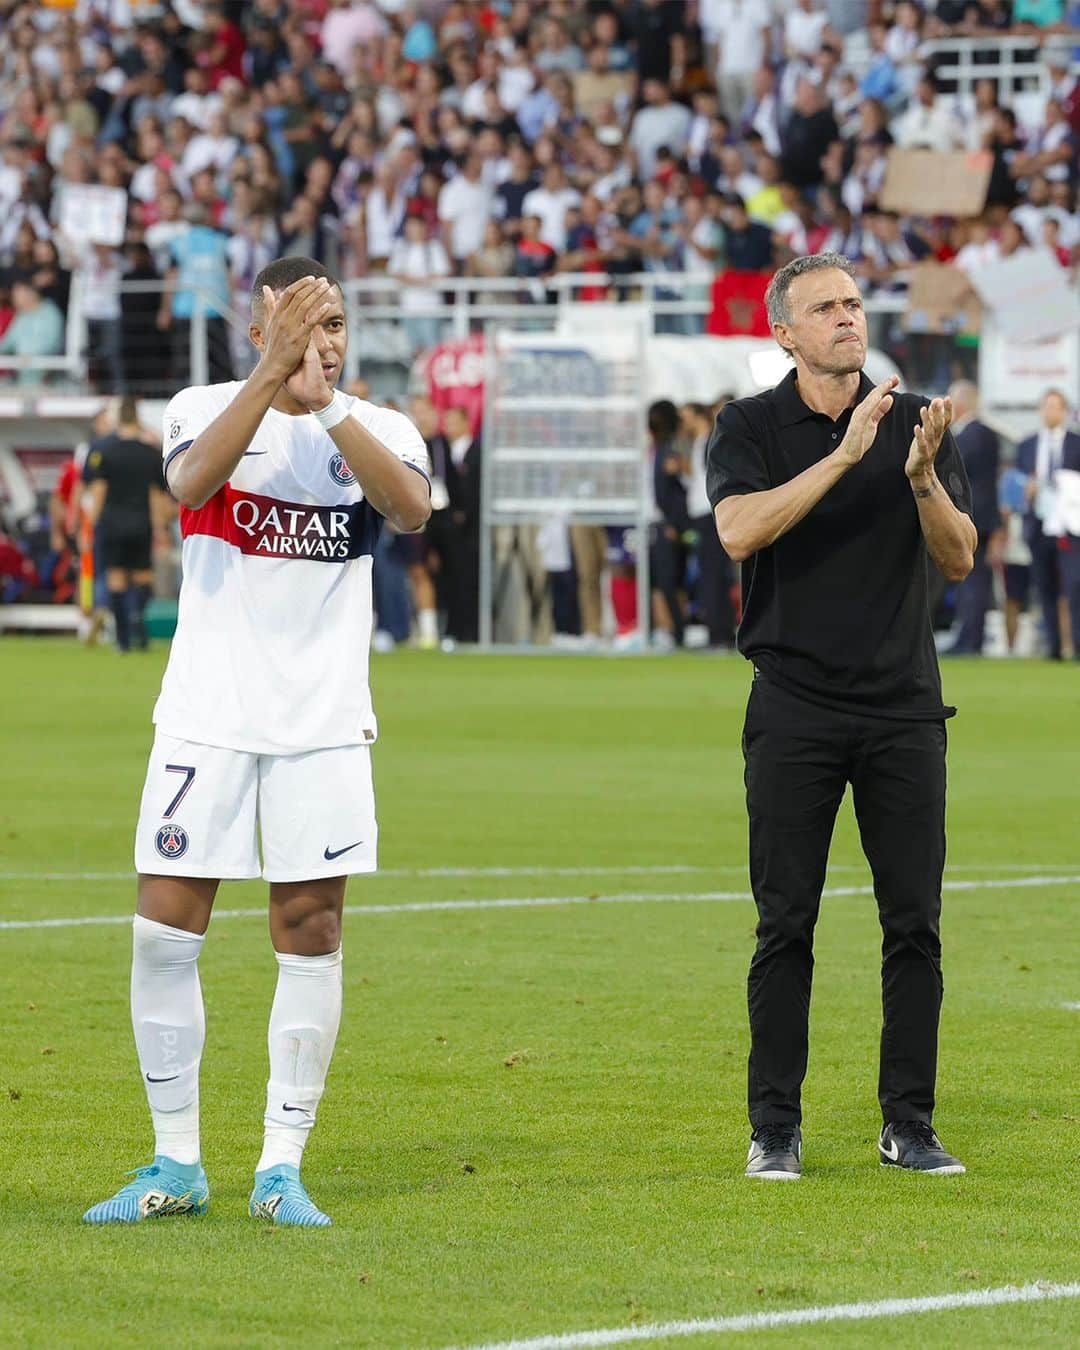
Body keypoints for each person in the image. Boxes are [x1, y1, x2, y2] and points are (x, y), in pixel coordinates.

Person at [82, 256, 431, 1227]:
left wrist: (322, 408)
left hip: (322, 726)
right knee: (163, 931)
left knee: (311, 930)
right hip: (208, 715)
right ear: (260, 320)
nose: (323, 339)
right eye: (302, 321)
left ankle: (281, 1167)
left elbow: (407, 510)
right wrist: (272, 382)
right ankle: (176, 1162)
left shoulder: (379, 427)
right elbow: (193, 485)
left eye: (335, 323)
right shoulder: (202, 406)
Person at [706, 252, 975, 1180]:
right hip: (794, 708)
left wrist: (921, 479)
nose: (847, 318)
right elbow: (739, 531)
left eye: (854, 303)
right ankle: (775, 1126)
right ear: (785, 331)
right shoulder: (748, 425)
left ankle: (911, 1122)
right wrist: (846, 456)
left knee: (916, 925)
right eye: (825, 307)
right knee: (787, 924)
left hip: (904, 709)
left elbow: (960, 561)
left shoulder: (918, 422)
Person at [84, 396, 170, 651]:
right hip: (141, 522)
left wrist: (89, 526)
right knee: (143, 577)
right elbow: (156, 496)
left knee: (116, 578)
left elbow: (98, 493)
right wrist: (160, 529)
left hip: (113, 522)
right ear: (137, 417)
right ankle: (138, 628)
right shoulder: (150, 453)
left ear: (118, 417)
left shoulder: (106, 451)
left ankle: (122, 639)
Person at [1015, 389, 1080, 659]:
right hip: (1038, 523)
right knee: (1045, 585)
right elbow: (1016, 483)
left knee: (1074, 584)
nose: (1050, 411)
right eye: (1046, 406)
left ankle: (1076, 644)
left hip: (1069, 527)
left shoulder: (1076, 444)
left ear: (1065, 411)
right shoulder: (1027, 445)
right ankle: (1053, 646)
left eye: (1056, 406)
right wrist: (1027, 491)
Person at [947, 381, 1000, 656]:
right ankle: (967, 636)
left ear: (960, 404)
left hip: (974, 518)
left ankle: (970, 640)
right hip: (980, 517)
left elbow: (956, 469)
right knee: (972, 580)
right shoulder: (983, 433)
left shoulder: (972, 435)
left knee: (974, 580)